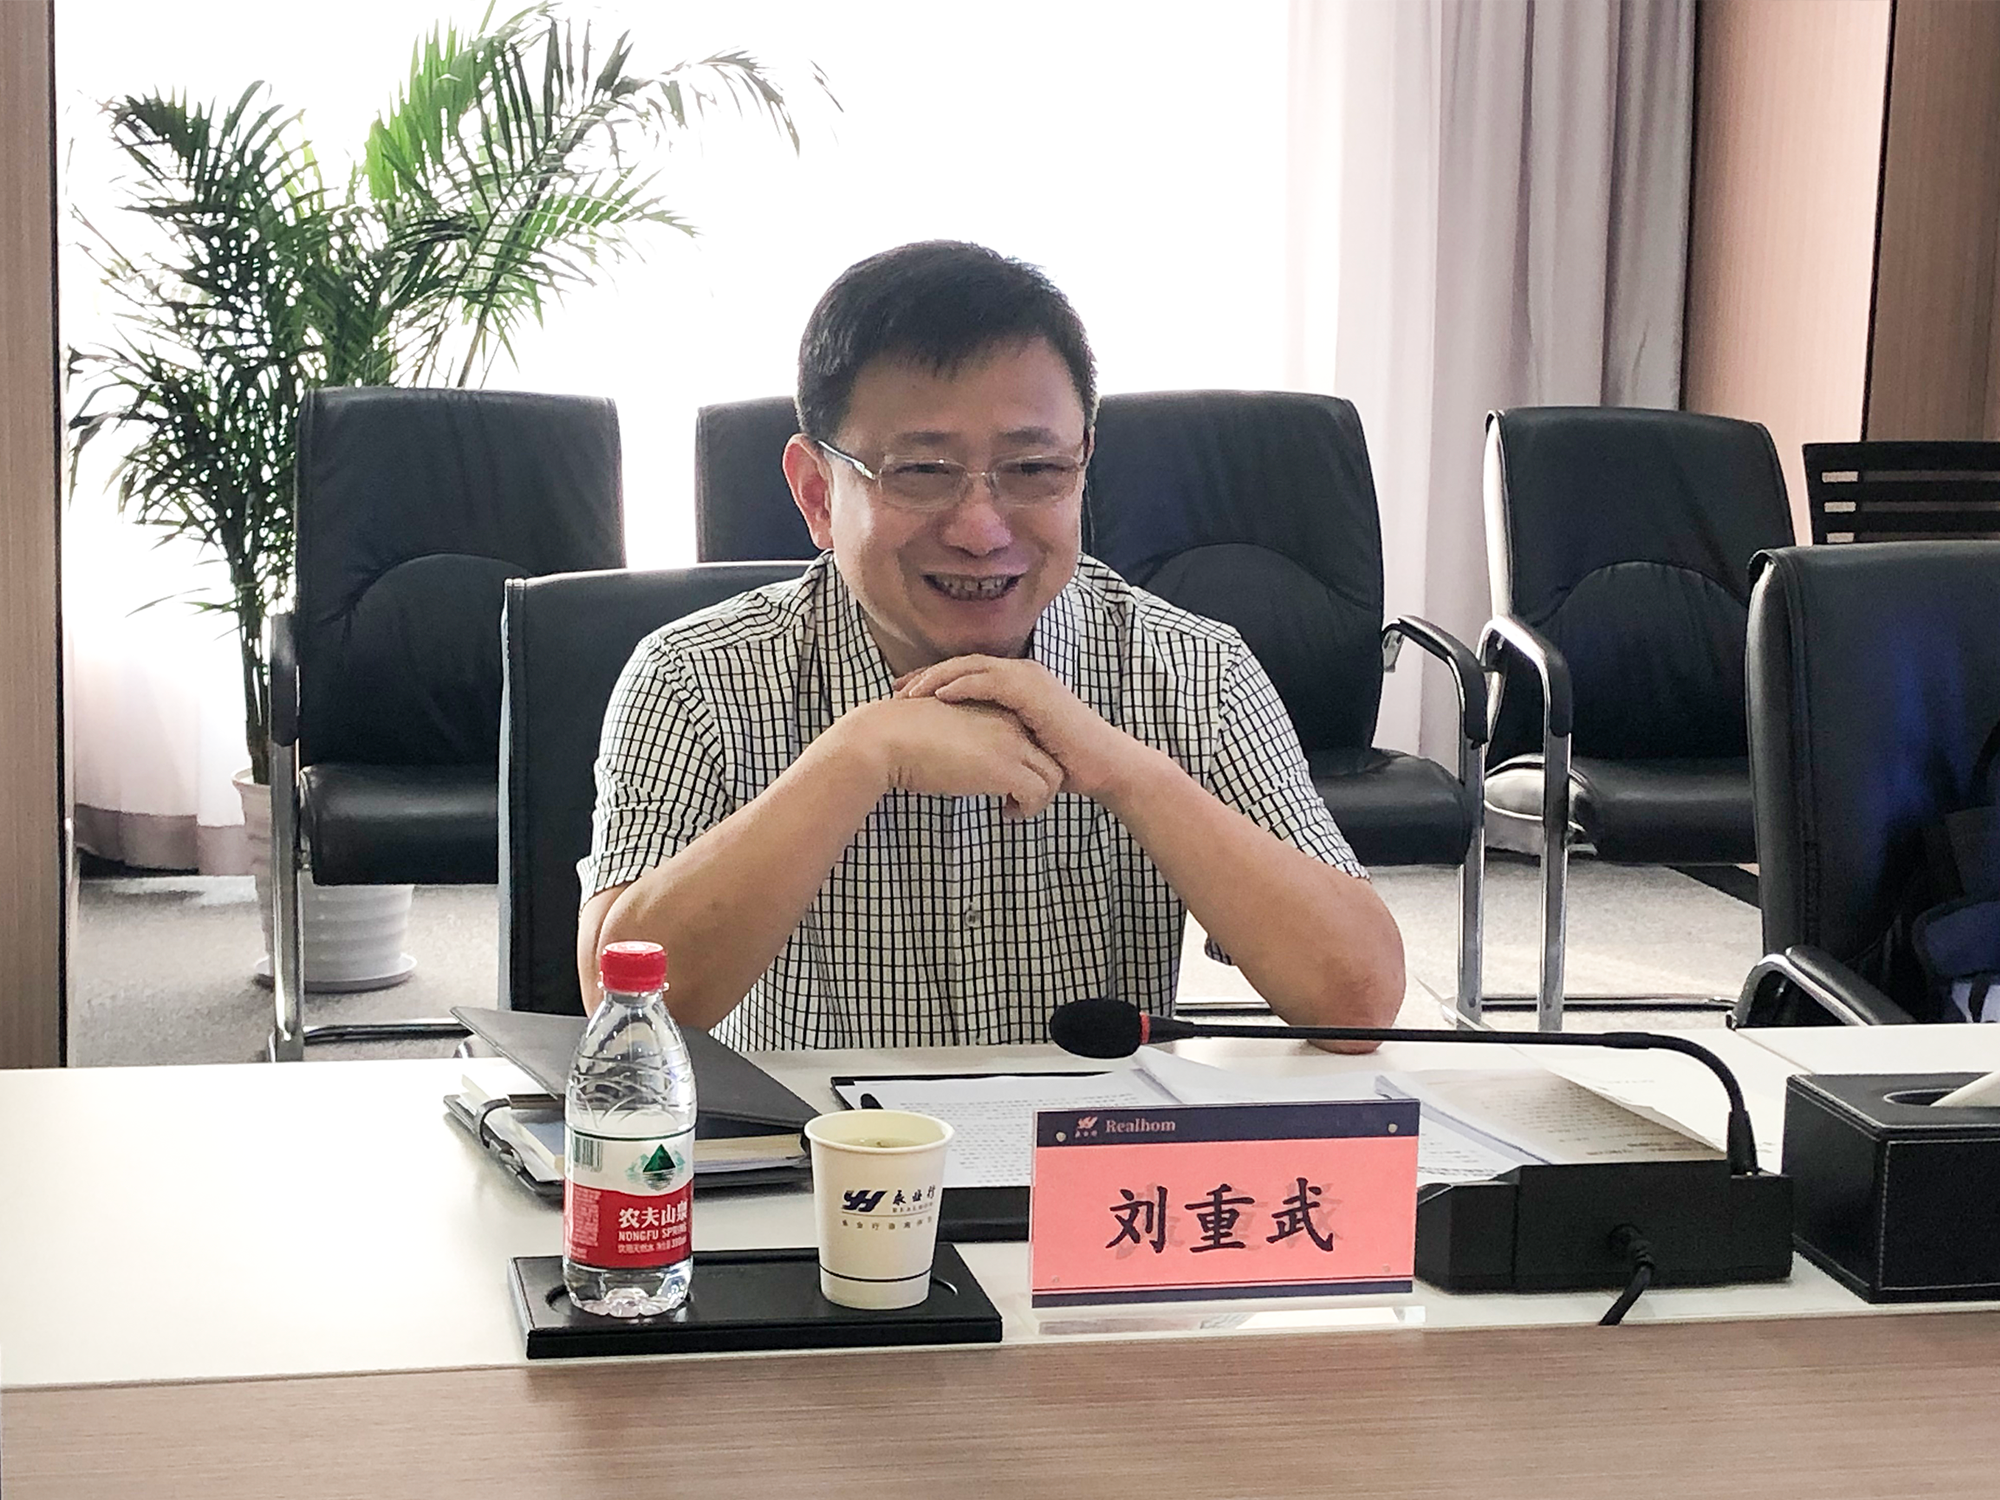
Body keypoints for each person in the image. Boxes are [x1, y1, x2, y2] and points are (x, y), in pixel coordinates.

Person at [577, 241, 1404, 1050]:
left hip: (1089, 1139)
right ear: (818, 493)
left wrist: (1126, 771)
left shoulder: (1194, 671)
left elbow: (1356, 1002)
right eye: (921, 473)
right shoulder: (695, 676)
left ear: (1082, 467)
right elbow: (621, 1014)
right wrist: (857, 757)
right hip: (810, 1140)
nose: (980, 530)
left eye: (1034, 470)